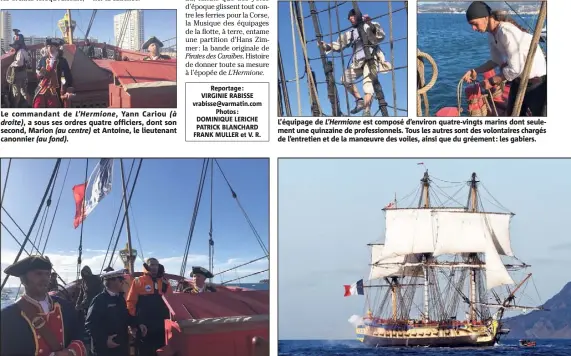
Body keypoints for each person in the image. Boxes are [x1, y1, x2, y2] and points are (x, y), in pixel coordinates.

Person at [462, 1, 547, 116]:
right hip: (518, 80)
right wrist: (475, 70)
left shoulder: (506, 32)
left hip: (535, 82)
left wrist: (492, 81)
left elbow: (515, 69)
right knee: (512, 114)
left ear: (486, 17)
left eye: (474, 23)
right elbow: (495, 61)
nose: (473, 28)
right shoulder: (492, 34)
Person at [0, 255, 87, 356]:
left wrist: (70, 352)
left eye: (47, 274)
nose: (45, 278)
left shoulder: (65, 307)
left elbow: (80, 335)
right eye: (39, 274)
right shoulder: (7, 316)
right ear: (23, 280)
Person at [318, 9, 392, 116]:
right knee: (345, 79)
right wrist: (326, 46)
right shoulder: (351, 33)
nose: (351, 20)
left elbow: (381, 36)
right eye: (349, 19)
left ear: (358, 16)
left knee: (368, 85)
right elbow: (339, 45)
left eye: (352, 17)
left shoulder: (369, 25)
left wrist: (370, 23)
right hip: (358, 63)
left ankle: (366, 112)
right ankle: (359, 100)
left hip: (371, 59)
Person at [85, 269, 140, 356]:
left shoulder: (120, 298)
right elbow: (90, 324)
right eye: (121, 280)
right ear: (112, 282)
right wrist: (104, 340)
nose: (123, 283)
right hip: (105, 349)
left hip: (121, 346)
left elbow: (125, 316)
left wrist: (137, 325)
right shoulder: (99, 300)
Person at [126, 258, 172, 356]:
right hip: (144, 325)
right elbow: (131, 303)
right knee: (144, 351)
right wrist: (134, 323)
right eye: (152, 265)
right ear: (147, 266)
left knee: (162, 350)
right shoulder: (138, 281)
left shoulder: (165, 283)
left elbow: (171, 303)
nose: (154, 267)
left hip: (161, 325)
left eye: (156, 265)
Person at [34, 38, 74, 108]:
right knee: (37, 105)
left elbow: (66, 76)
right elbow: (38, 75)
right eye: (48, 46)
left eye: (52, 46)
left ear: (57, 48)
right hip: (43, 89)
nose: (50, 49)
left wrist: (67, 89)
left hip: (56, 91)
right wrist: (40, 74)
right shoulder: (43, 59)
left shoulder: (62, 61)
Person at [6, 35, 31, 107]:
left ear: (18, 45)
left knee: (16, 92)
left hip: (18, 74)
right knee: (24, 91)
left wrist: (12, 64)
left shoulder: (20, 51)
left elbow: (20, 62)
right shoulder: (24, 50)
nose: (13, 47)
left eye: (15, 45)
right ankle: (30, 105)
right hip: (23, 73)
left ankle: (15, 107)